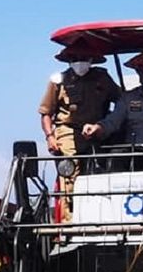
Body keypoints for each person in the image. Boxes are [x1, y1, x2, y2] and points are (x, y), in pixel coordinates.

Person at [38, 37, 120, 220]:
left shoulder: (102, 78)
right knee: (69, 173)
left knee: (106, 170)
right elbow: (46, 113)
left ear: (92, 60)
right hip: (68, 130)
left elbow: (121, 103)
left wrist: (105, 125)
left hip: (99, 132)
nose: (80, 61)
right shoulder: (58, 81)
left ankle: (105, 217)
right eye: (75, 57)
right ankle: (70, 222)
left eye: (84, 57)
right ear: (68, 60)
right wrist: (50, 137)